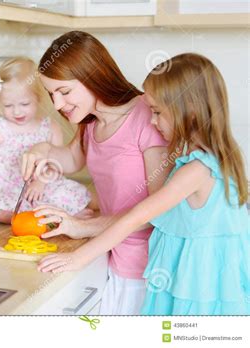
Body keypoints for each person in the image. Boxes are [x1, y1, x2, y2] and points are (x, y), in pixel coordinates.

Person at [36, 53, 249, 315]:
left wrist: (77, 257)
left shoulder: (195, 170)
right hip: (202, 286)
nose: (151, 121)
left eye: (157, 112)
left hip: (193, 290)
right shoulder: (216, 160)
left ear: (187, 110)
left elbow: (136, 217)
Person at [21, 31, 169, 315]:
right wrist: (42, 149)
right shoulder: (89, 122)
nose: (57, 105)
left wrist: (83, 226)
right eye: (52, 94)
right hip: (109, 256)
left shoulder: (146, 117)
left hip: (145, 268)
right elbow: (70, 160)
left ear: (93, 76)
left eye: (64, 92)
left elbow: (158, 212)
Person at [0, 57, 91, 224]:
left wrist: (41, 183)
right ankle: (46, 217)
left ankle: (52, 215)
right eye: (8, 105)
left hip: (45, 187)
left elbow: (56, 164)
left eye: (24, 103)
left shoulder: (50, 127)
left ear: (38, 98)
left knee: (70, 193)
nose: (17, 111)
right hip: (11, 191)